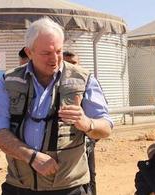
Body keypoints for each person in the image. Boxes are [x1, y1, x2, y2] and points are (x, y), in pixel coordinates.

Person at [0, 17, 113, 195]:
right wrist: (32, 157)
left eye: (59, 51)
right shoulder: (9, 80)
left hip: (69, 188)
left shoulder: (83, 79)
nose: (54, 59)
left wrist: (87, 123)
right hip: (19, 187)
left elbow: (106, 127)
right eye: (46, 53)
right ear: (29, 53)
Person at [63, 51, 97, 195]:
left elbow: (99, 117)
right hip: (63, 146)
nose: (70, 67)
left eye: (74, 63)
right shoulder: (54, 87)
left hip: (84, 141)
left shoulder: (86, 84)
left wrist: (90, 136)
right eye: (66, 63)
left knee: (89, 176)